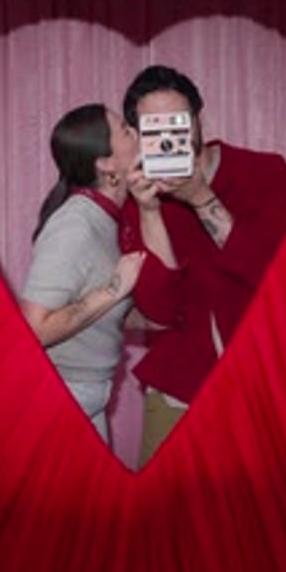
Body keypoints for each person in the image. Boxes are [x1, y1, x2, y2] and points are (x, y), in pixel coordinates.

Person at [120, 65, 286, 464]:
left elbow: (281, 278)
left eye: (178, 124)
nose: (169, 139)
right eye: (155, 129)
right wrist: (148, 211)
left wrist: (201, 197)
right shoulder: (138, 196)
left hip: (265, 385)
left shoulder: (263, 172)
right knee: (164, 518)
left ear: (199, 119)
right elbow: (159, 309)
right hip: (179, 386)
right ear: (136, 136)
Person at [21, 103, 178, 444]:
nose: (137, 133)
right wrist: (114, 288)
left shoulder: (110, 219)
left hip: (90, 393)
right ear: (106, 163)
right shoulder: (75, 223)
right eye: (125, 130)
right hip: (61, 395)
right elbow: (33, 329)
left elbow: (107, 311)